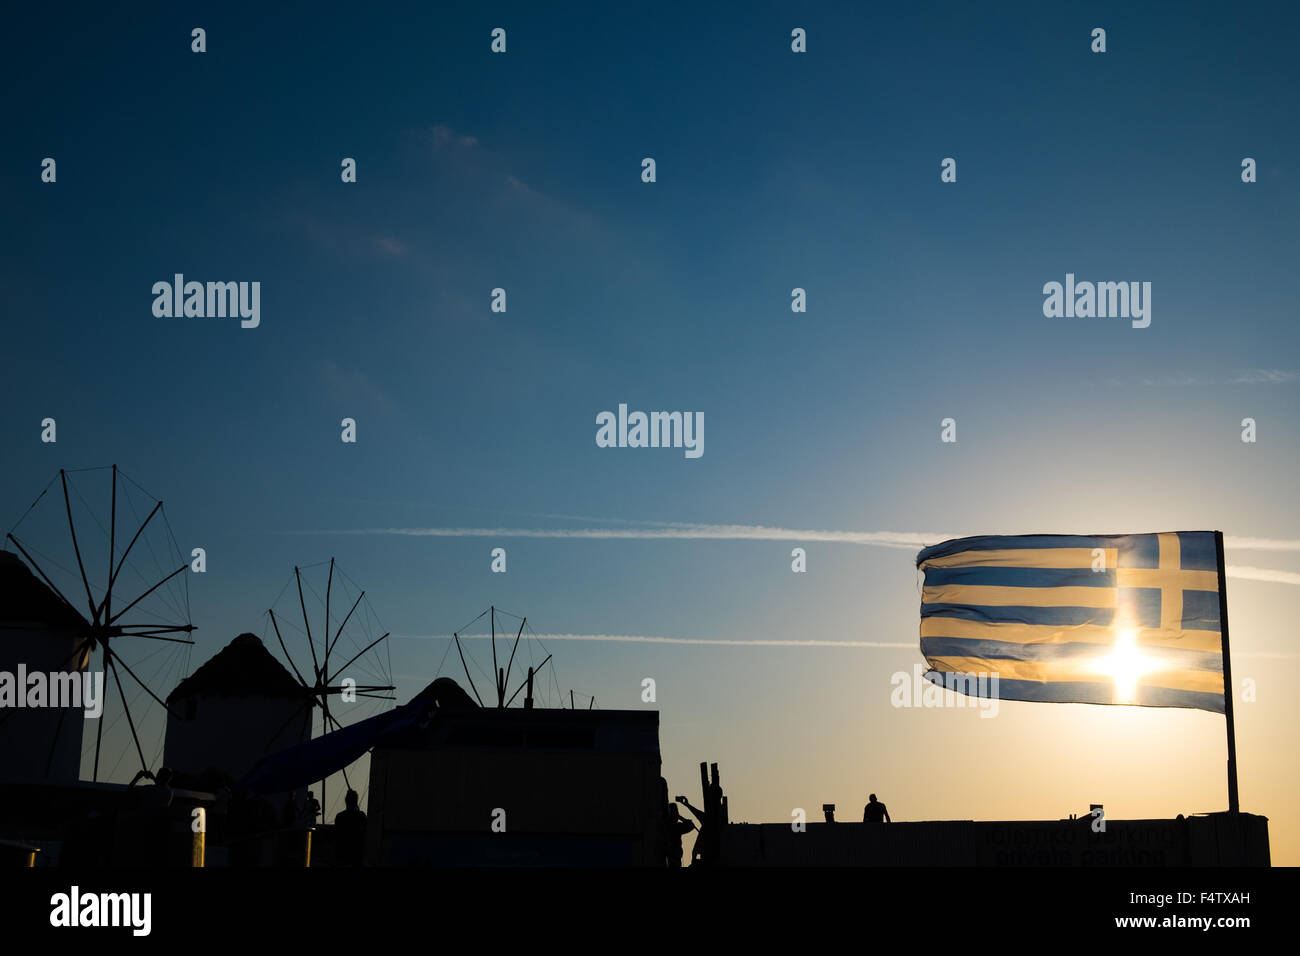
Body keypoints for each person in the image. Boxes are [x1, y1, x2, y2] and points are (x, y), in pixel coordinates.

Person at [333, 789, 367, 866]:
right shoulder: (361, 816)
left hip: (343, 853)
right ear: (356, 801)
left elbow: (336, 834)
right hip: (357, 853)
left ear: (346, 801)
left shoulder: (340, 816)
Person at [664, 802, 696, 868]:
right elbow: (691, 826)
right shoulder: (676, 827)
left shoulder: (666, 825)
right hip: (674, 860)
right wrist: (681, 818)